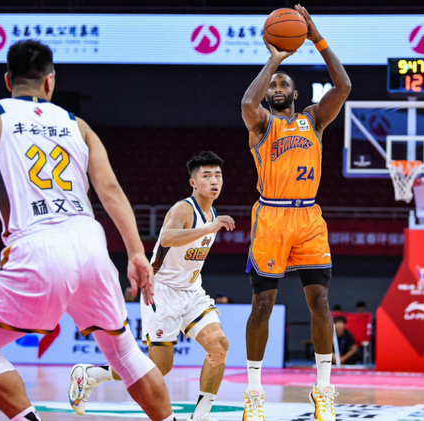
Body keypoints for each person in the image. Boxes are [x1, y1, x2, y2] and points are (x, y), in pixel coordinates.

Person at [0, 40, 174, 421]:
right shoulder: (78, 126)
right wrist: (136, 253)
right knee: (126, 353)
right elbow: (111, 191)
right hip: (90, 242)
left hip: (36, 245)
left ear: (8, 80)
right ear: (50, 81)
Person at [240, 5, 351, 421]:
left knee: (320, 301)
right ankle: (254, 392)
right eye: (274, 84)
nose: (277, 87)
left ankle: (323, 389)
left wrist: (316, 37)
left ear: (296, 94)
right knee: (263, 305)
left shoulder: (313, 121)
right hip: (271, 217)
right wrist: (275, 59)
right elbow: (247, 101)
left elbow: (343, 85)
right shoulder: (261, 124)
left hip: (308, 218)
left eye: (284, 83)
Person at [70, 151, 235, 421]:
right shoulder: (184, 209)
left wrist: (211, 226)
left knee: (219, 345)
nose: (214, 180)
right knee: (159, 368)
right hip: (162, 292)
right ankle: (91, 374)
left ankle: (201, 416)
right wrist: (209, 229)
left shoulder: (212, 213)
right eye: (206, 176)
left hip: (192, 291)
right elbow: (167, 237)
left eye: (218, 175)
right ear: (193, 183)